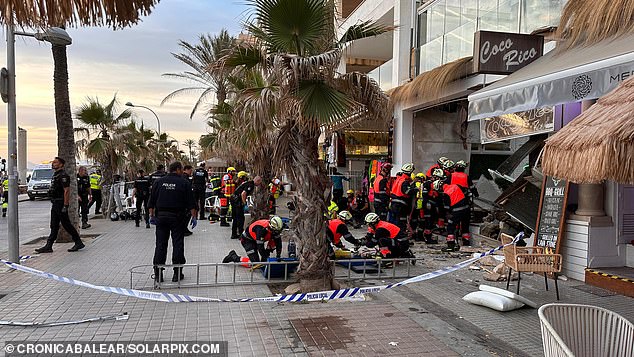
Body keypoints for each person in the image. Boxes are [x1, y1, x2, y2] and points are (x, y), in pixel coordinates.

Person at [148, 161, 197, 283]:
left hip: (161, 217)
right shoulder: (184, 183)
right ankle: (177, 273)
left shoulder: (158, 182)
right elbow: (192, 203)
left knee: (160, 245)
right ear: (178, 169)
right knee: (178, 244)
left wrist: (151, 216)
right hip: (177, 218)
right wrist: (194, 217)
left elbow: (151, 201)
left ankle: (158, 273)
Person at [35, 157, 85, 253]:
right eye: (53, 162)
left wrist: (65, 205)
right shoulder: (56, 175)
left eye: (56, 162)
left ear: (61, 164)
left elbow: (66, 190)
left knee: (66, 224)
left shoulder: (63, 175)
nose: (53, 164)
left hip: (60, 202)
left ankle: (78, 242)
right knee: (54, 225)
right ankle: (49, 245)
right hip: (55, 202)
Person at [433, 180, 471, 252]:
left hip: (457, 210)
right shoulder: (455, 185)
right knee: (465, 226)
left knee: (450, 226)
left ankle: (451, 245)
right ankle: (466, 243)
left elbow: (447, 208)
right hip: (467, 209)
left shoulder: (446, 193)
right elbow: (465, 192)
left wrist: (448, 216)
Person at [230, 173, 261, 239]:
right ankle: (241, 235)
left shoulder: (247, 183)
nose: (259, 184)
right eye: (259, 182)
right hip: (237, 201)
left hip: (233, 199)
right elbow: (243, 194)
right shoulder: (251, 185)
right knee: (240, 218)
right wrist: (244, 203)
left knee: (235, 218)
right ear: (257, 181)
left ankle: (234, 234)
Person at [389, 163, 417, 230]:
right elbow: (407, 192)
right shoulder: (405, 181)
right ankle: (401, 237)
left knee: (395, 221)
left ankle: (395, 236)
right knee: (401, 222)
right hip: (400, 206)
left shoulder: (398, 179)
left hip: (394, 204)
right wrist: (415, 190)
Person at [182, 165, 194, 236]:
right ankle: (184, 229)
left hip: (184, 199)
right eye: (190, 170)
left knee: (187, 215)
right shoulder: (184, 177)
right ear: (186, 169)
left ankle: (185, 228)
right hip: (185, 199)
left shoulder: (186, 177)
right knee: (187, 214)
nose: (191, 172)